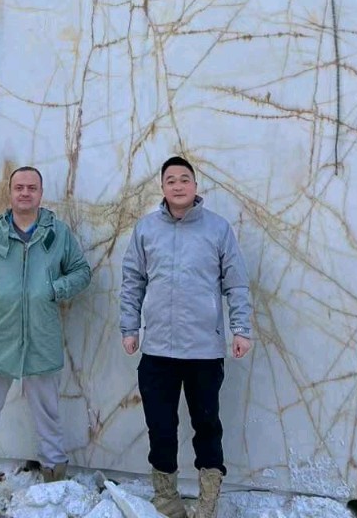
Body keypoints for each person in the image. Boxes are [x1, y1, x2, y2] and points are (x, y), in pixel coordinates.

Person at [120, 156, 253, 518]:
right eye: (171, 180)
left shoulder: (218, 229)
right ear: (162, 188)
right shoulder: (146, 230)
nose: (178, 185)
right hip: (157, 350)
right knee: (161, 428)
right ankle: (166, 499)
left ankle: (207, 502)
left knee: (207, 425)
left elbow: (236, 283)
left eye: (184, 179)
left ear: (195, 186)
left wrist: (241, 329)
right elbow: (132, 282)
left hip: (204, 351)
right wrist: (129, 328)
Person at [0, 166, 91, 517]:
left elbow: (81, 271)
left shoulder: (57, 234)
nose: (25, 193)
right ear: (10, 192)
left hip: (41, 337)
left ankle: (54, 489)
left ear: (40, 193)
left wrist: (55, 289)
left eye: (31, 188)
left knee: (48, 417)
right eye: (19, 187)